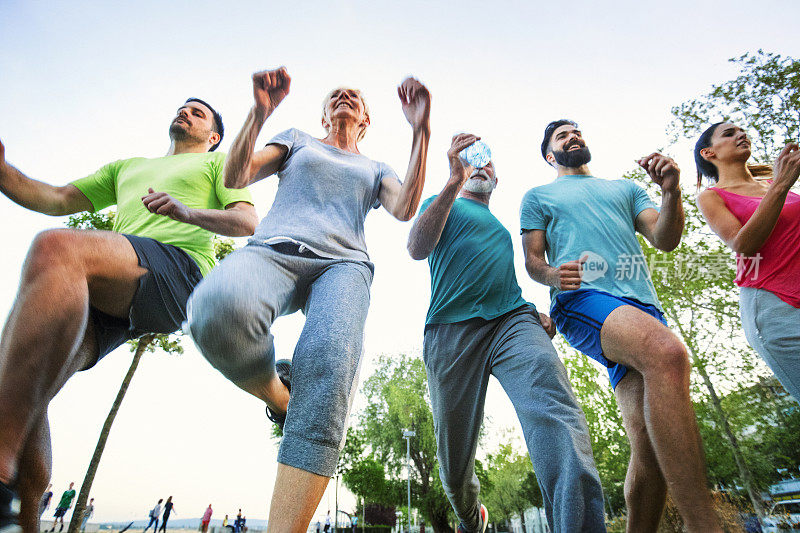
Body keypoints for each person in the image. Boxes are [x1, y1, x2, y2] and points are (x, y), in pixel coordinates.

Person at [187, 66, 431, 533]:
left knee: (327, 368)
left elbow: (404, 209)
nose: (344, 97)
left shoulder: (375, 166)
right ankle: (279, 395)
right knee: (215, 305)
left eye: (354, 96)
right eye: (336, 95)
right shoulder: (297, 139)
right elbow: (237, 175)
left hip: (343, 266)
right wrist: (259, 113)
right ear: (323, 115)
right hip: (276, 248)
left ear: (365, 120)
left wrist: (420, 130)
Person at [0, 97, 257, 532]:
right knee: (27, 379)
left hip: (180, 273)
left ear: (214, 137)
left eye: (198, 113)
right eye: (183, 107)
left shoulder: (218, 167)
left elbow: (247, 221)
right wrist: (4, 172)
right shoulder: (127, 168)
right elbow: (58, 198)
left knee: (56, 246)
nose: (186, 113)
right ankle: (25, 523)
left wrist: (187, 212)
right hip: (115, 287)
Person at [520, 120, 722, 532]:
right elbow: (534, 262)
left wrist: (670, 192)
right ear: (549, 155)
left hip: (644, 308)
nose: (573, 137)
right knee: (667, 353)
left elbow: (665, 238)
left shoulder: (626, 190)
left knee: (649, 449)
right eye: (562, 136)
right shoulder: (538, 196)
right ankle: (704, 524)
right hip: (582, 300)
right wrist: (554, 277)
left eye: (576, 131)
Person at [408, 134, 606, 533]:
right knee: (453, 462)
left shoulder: (501, 228)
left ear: (495, 182)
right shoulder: (443, 204)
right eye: (471, 165)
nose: (481, 167)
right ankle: (470, 516)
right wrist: (450, 181)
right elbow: (416, 247)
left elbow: (504, 280)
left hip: (512, 323)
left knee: (556, 412)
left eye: (488, 165)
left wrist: (531, 311)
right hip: (451, 333)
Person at [695, 123, 800, 402]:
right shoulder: (711, 196)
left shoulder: (773, 183)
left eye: (742, 130)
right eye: (729, 134)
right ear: (709, 152)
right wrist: (781, 184)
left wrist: (779, 184)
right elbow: (743, 245)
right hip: (777, 309)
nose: (741, 135)